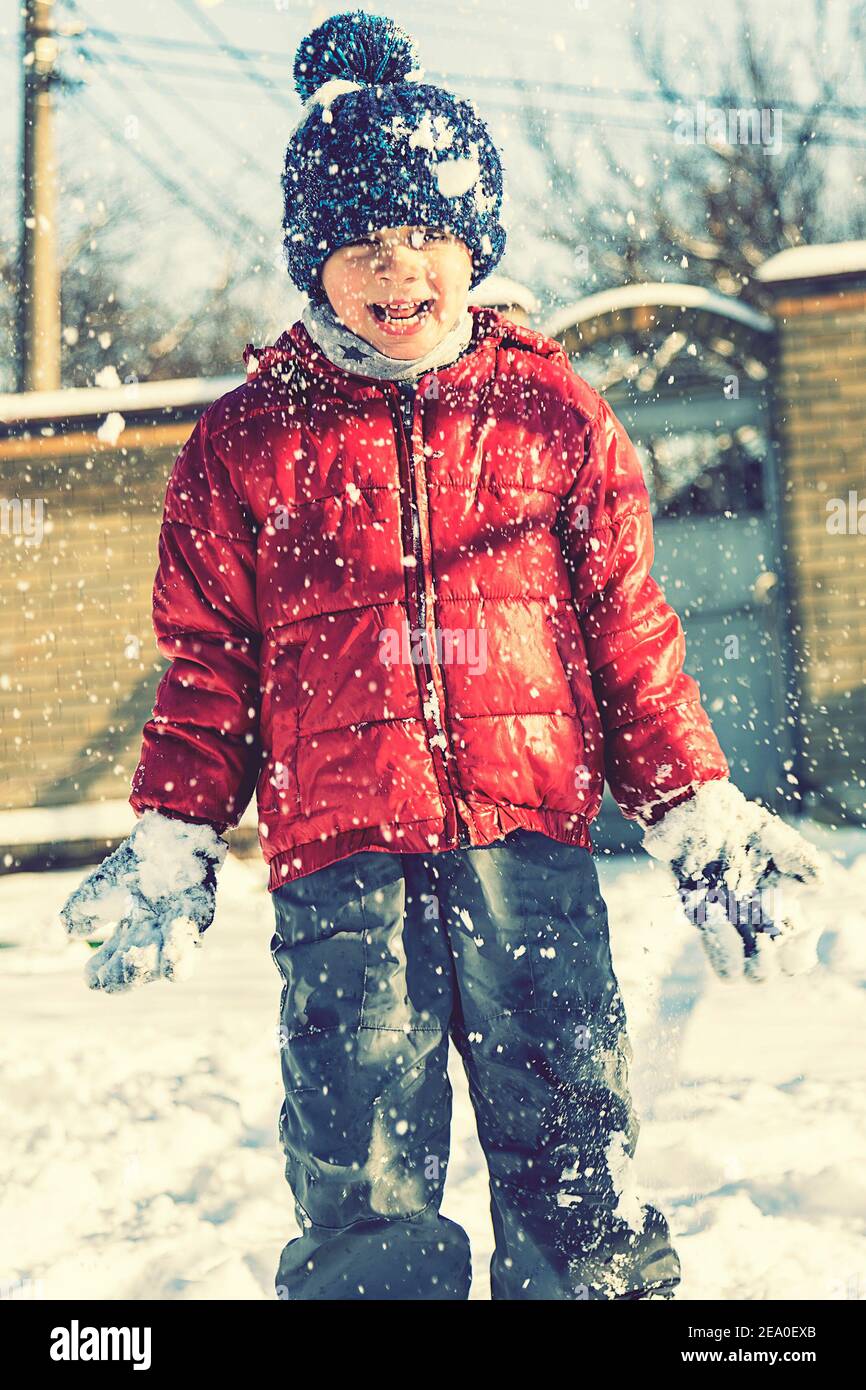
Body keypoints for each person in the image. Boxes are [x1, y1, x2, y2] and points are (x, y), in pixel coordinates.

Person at [60, 11, 827, 1301]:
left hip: (528, 852)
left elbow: (630, 632)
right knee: (360, 1175)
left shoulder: (550, 412)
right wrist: (171, 837)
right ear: (312, 260)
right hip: (339, 871)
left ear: (476, 247)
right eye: (361, 240)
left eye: (426, 233)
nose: (396, 267)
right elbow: (206, 673)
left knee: (575, 1158)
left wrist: (696, 806)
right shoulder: (246, 446)